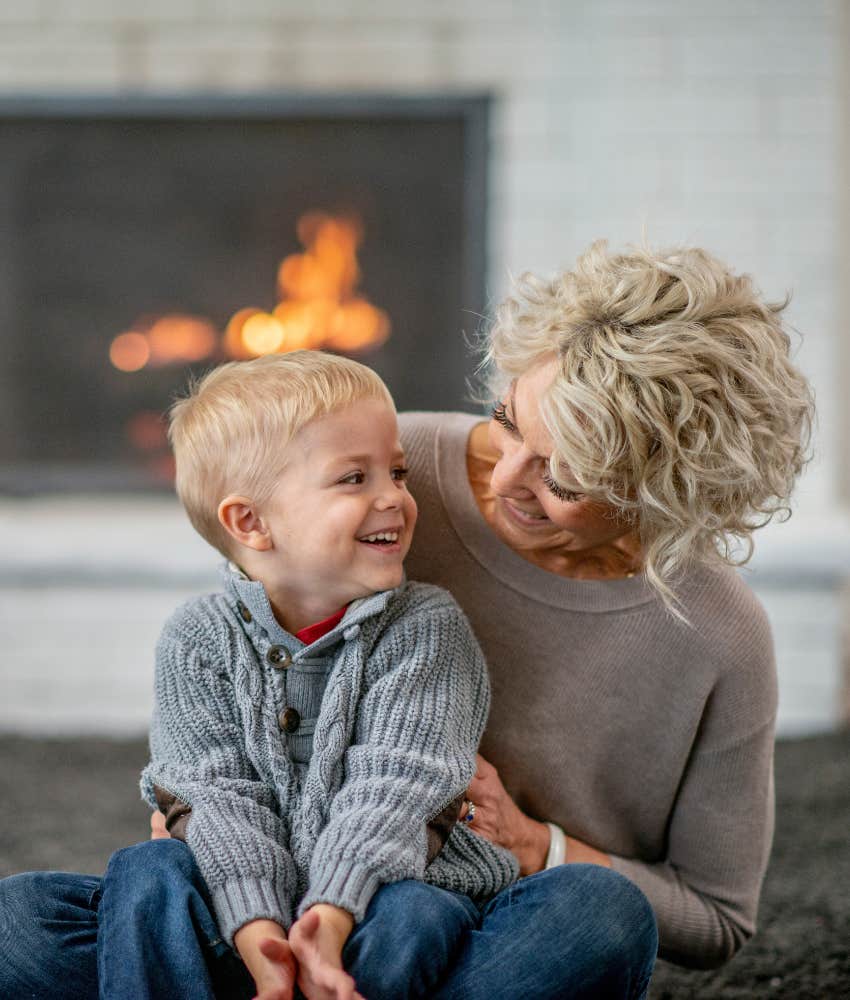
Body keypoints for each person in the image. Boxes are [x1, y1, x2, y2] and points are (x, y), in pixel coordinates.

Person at [0, 351, 519, 1000]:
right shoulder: (196, 637)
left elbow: (397, 788)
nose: (393, 496)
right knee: (71, 898)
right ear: (250, 522)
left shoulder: (425, 625)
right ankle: (257, 977)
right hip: (229, 914)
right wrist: (258, 936)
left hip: (387, 907)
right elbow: (214, 795)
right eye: (354, 478)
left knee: (582, 912)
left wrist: (327, 923)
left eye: (398, 472)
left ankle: (292, 978)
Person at [397, 240, 814, 973]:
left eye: (566, 477)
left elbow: (715, 919)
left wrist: (531, 845)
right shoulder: (391, 472)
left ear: (670, 490)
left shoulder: (719, 634)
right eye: (508, 421)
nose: (505, 482)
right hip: (339, 870)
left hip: (519, 932)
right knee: (147, 888)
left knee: (601, 919)